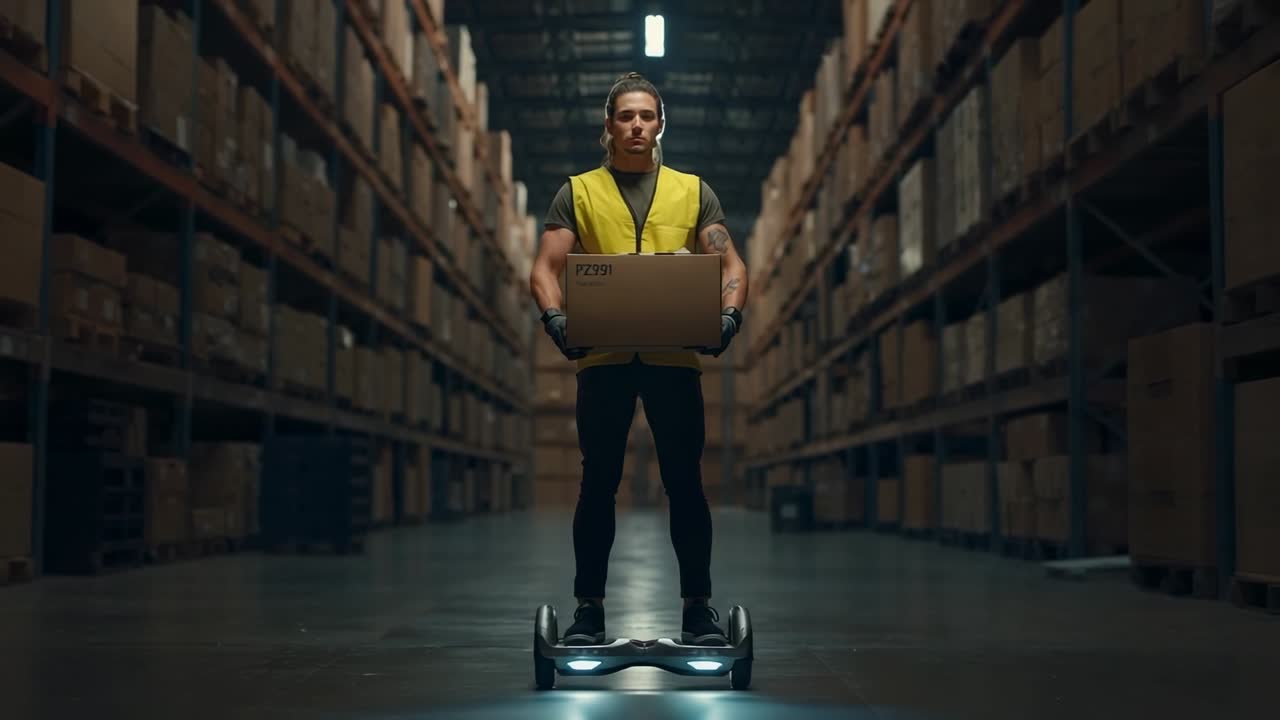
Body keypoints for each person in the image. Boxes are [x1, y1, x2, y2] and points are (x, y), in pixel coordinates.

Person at [528, 72, 750, 647]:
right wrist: (556, 321)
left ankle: (698, 608)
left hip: (674, 359)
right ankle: (588, 609)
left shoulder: (693, 191)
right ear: (609, 125)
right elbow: (544, 268)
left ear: (659, 124)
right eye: (625, 116)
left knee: (685, 483)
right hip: (601, 358)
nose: (636, 126)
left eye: (646, 116)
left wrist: (729, 316)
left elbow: (731, 265)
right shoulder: (576, 192)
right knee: (597, 483)